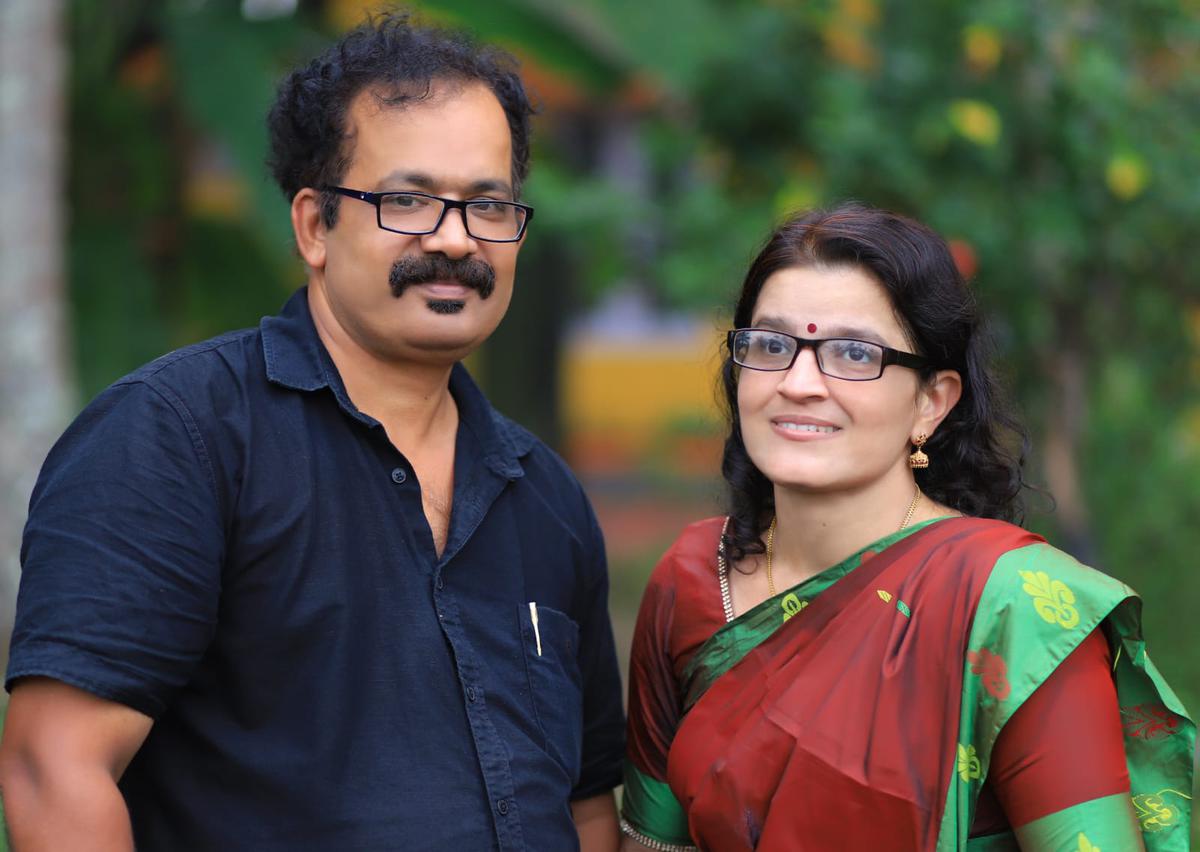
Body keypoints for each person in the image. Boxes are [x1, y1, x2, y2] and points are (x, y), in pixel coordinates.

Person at [0, 12, 625, 851]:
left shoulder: (543, 495)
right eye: (407, 200)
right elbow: (54, 768)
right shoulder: (180, 437)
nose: (454, 238)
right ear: (313, 226)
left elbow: (584, 807)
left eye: (488, 205)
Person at [618, 203, 1194, 851]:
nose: (799, 382)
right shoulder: (695, 576)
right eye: (772, 345)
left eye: (853, 353)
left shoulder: (1016, 610)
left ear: (932, 402)